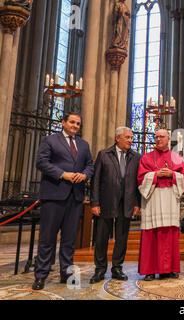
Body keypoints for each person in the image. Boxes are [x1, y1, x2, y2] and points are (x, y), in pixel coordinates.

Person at [32, 112, 94, 290]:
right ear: (63, 122)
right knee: (47, 238)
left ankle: (66, 273)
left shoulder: (83, 144)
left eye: (78, 123)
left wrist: (84, 175)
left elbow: (90, 165)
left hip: (75, 197)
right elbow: (41, 162)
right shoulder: (50, 140)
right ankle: (41, 275)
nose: (75, 126)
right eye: (72, 122)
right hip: (53, 196)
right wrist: (62, 174)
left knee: (69, 239)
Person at [89, 127, 141, 284]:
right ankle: (100, 269)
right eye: (127, 137)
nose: (130, 140)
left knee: (122, 238)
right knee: (101, 238)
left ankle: (117, 268)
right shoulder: (104, 154)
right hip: (106, 202)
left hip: (126, 203)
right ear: (117, 138)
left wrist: (137, 203)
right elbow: (95, 180)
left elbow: (138, 183)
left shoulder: (136, 157)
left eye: (132, 137)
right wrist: (95, 202)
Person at [137, 129, 184, 281]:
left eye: (162, 137)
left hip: (170, 198)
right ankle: (150, 270)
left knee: (169, 234)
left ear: (168, 139)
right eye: (156, 137)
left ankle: (169, 269)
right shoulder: (146, 157)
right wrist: (155, 174)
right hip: (153, 198)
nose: (158, 139)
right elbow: (140, 179)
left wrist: (172, 174)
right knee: (151, 234)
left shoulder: (176, 158)